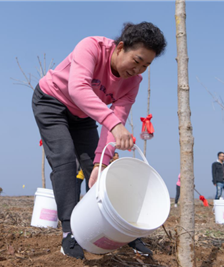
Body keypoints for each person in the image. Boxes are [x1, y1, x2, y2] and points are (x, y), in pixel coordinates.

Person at [32, 22, 166, 259]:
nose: (138, 70)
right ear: (120, 47)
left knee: (101, 167)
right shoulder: (91, 47)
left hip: (84, 115)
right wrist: (115, 125)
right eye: (136, 61)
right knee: (64, 159)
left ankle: (123, 231)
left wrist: (100, 163)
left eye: (146, 66)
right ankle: (69, 232)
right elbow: (78, 89)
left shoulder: (132, 84)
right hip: (51, 102)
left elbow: (113, 125)